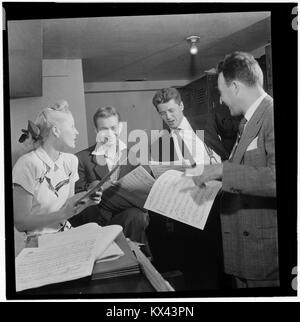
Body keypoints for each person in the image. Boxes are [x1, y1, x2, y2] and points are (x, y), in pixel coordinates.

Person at [188, 52, 278, 288]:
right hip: (244, 250)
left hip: (265, 256)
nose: (221, 100)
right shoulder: (247, 122)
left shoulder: (271, 115)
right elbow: (248, 174)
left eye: (221, 93)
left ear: (235, 87)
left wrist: (223, 171)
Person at [148, 88, 225, 290]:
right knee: (197, 263)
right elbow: (162, 179)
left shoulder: (207, 124)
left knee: (221, 260)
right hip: (188, 206)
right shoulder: (161, 143)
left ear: (181, 106)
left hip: (218, 199)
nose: (168, 117)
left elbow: (229, 153)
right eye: (163, 113)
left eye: (172, 110)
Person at [68, 106, 150, 253]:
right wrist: (96, 188)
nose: (110, 134)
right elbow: (76, 199)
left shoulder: (131, 156)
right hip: (96, 220)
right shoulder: (80, 159)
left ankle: (135, 258)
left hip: (124, 218)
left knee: (138, 216)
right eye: (104, 129)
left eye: (113, 128)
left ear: (119, 128)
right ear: (96, 131)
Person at [13, 100, 102, 236]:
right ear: (55, 130)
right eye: (72, 126)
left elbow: (67, 207)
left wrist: (88, 200)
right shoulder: (27, 164)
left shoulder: (71, 161)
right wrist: (62, 214)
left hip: (65, 232)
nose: (76, 132)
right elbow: (21, 223)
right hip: (37, 240)